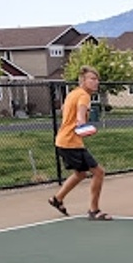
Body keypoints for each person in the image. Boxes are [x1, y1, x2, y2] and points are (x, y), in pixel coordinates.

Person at [49, 66, 112, 220]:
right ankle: (94, 210)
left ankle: (57, 199)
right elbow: (80, 117)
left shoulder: (73, 93)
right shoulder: (83, 96)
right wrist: (83, 126)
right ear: (83, 81)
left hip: (63, 141)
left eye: (97, 79)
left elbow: (64, 108)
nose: (96, 82)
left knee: (81, 173)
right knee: (98, 172)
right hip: (71, 142)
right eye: (92, 79)